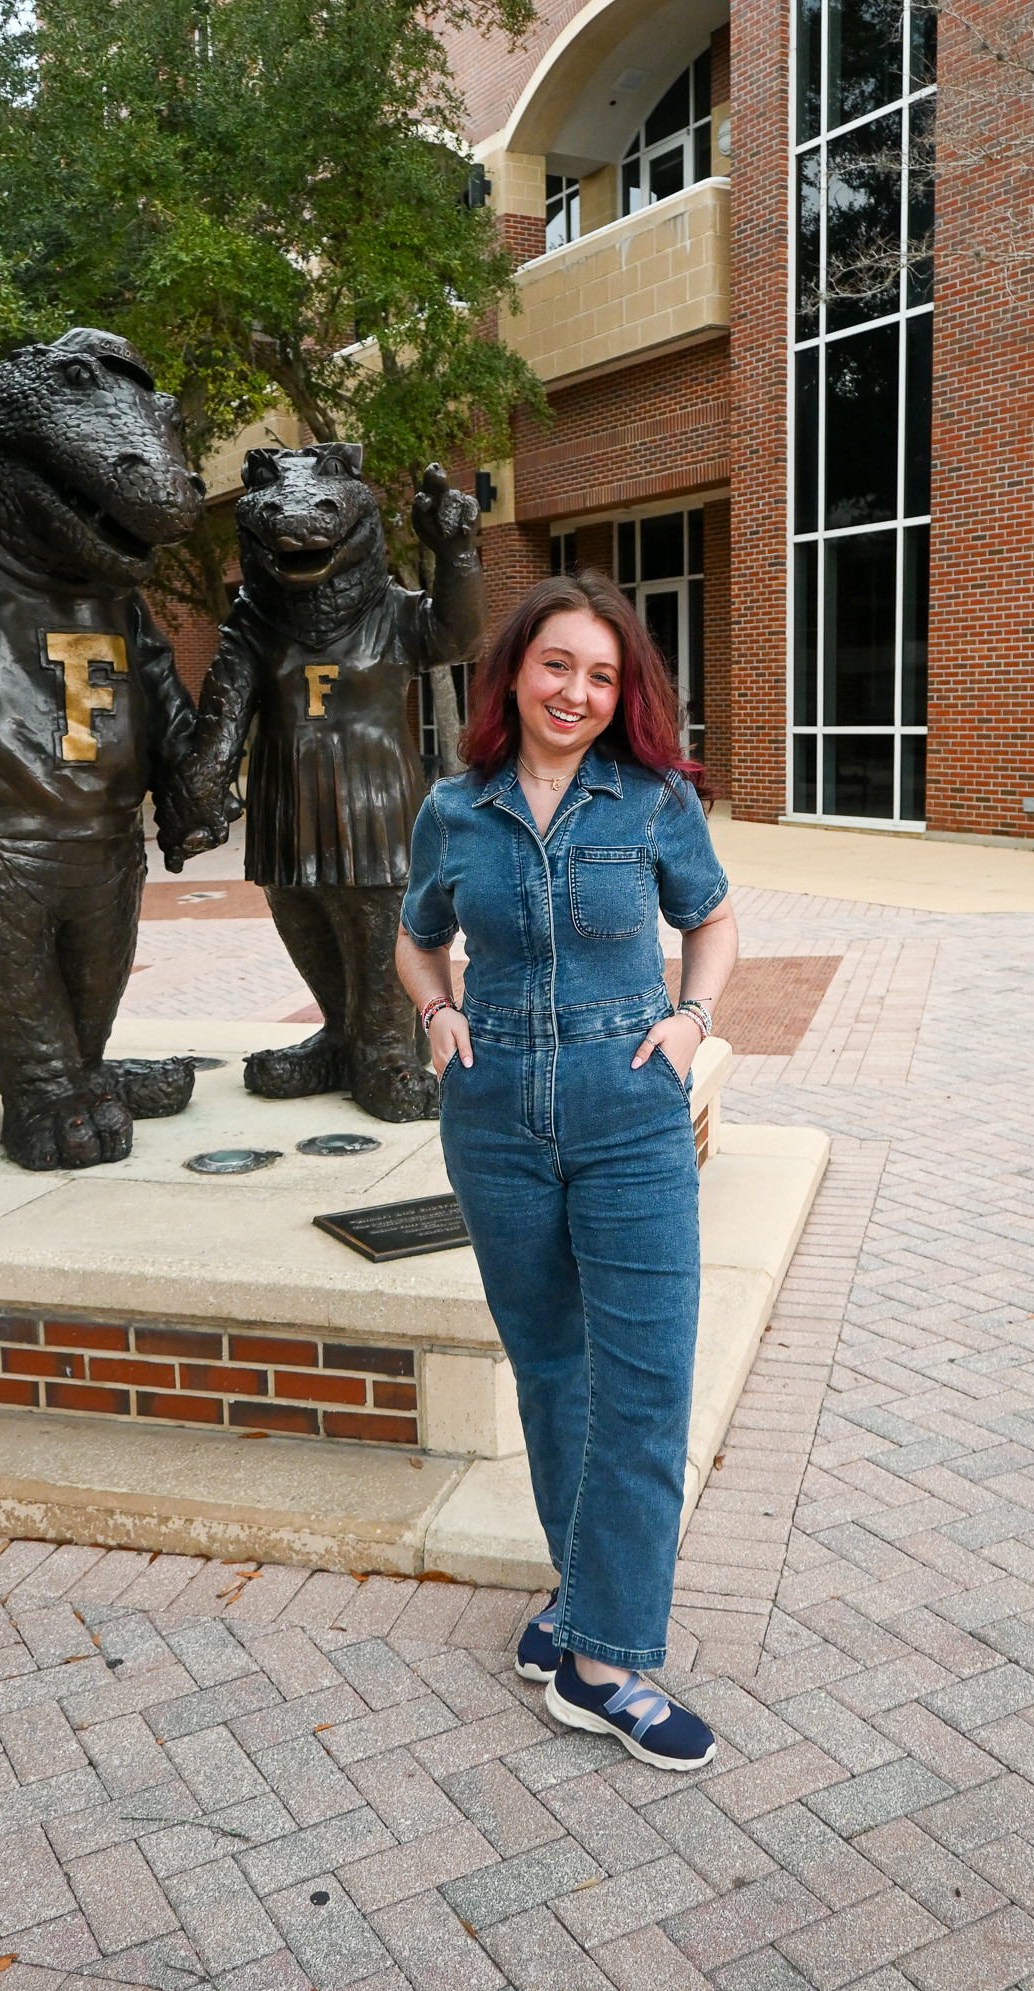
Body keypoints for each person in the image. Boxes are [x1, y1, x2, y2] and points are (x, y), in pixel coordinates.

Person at [396, 571, 738, 1772]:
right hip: (494, 1112)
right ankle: (582, 1605)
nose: (578, 692)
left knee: (645, 1379)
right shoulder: (457, 807)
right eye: (558, 665)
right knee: (552, 1370)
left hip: (628, 1107)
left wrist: (691, 1021)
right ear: (516, 670)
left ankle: (602, 1665)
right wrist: (438, 1011)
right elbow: (416, 933)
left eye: (602, 674)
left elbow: (712, 918)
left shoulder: (652, 801)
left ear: (621, 690)